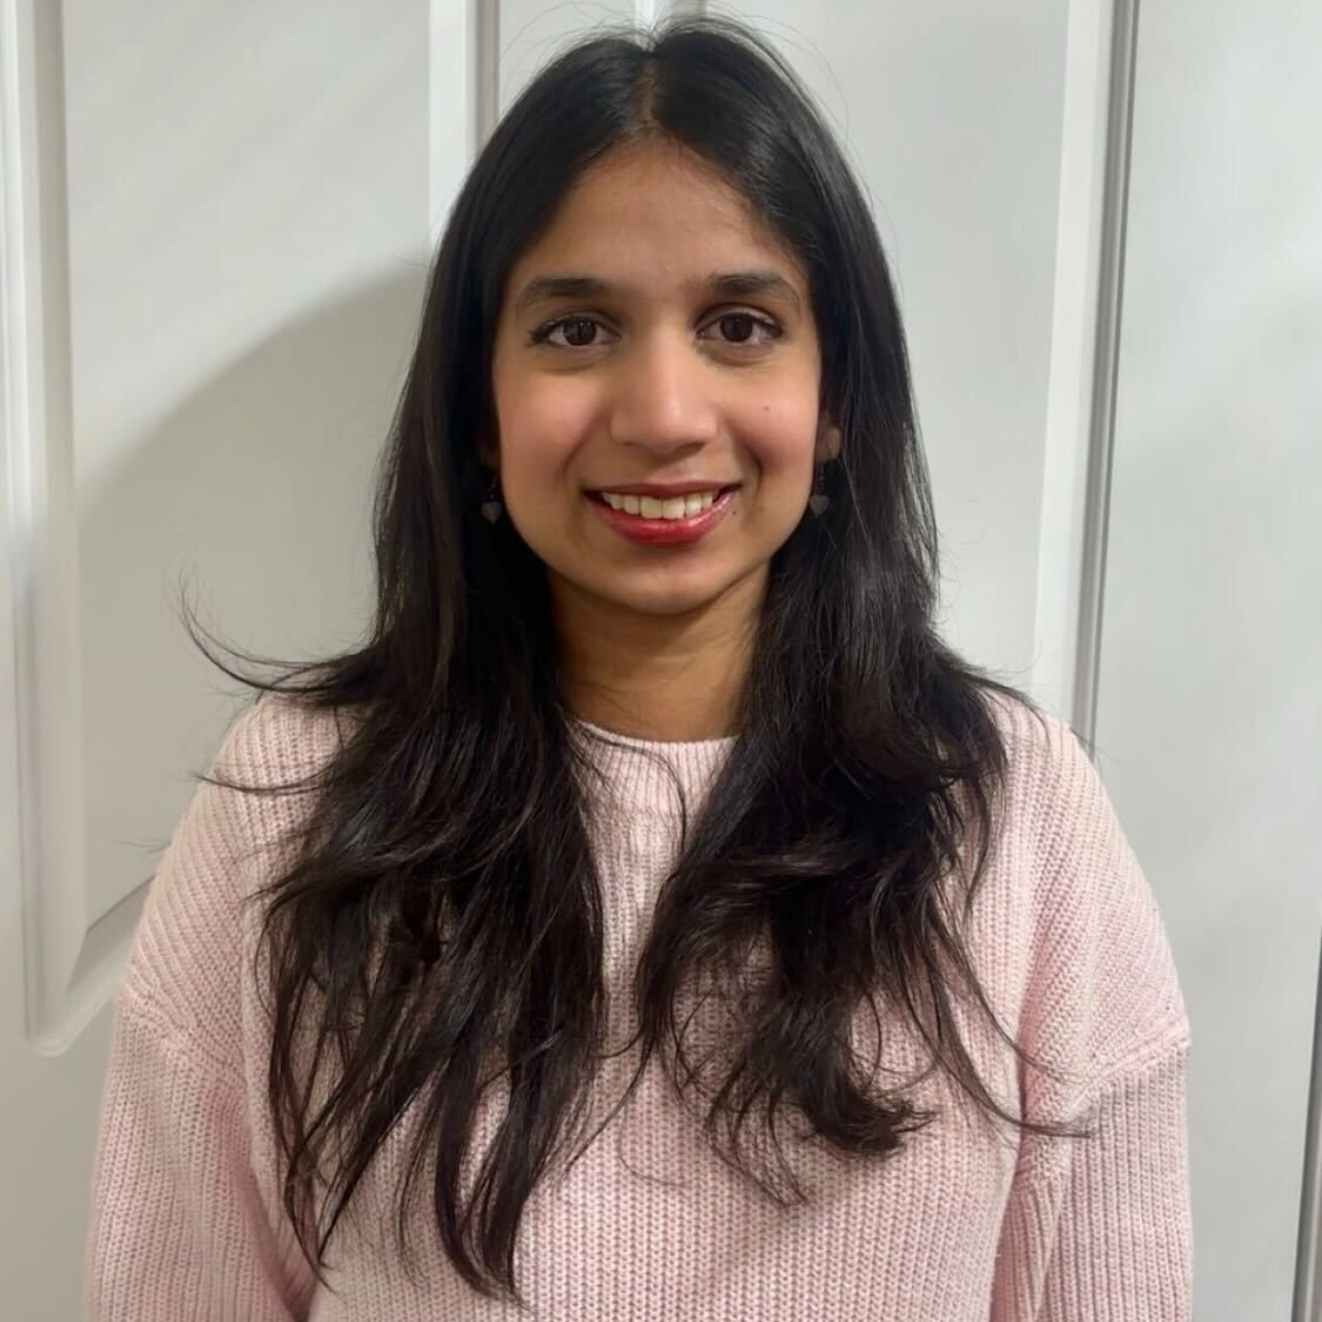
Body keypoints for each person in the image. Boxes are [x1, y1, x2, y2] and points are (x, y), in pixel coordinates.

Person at [83, 13, 1192, 1321]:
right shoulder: (297, 801)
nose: (664, 415)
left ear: (836, 399)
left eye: (739, 324)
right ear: (478, 411)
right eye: (575, 330)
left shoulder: (1016, 816)